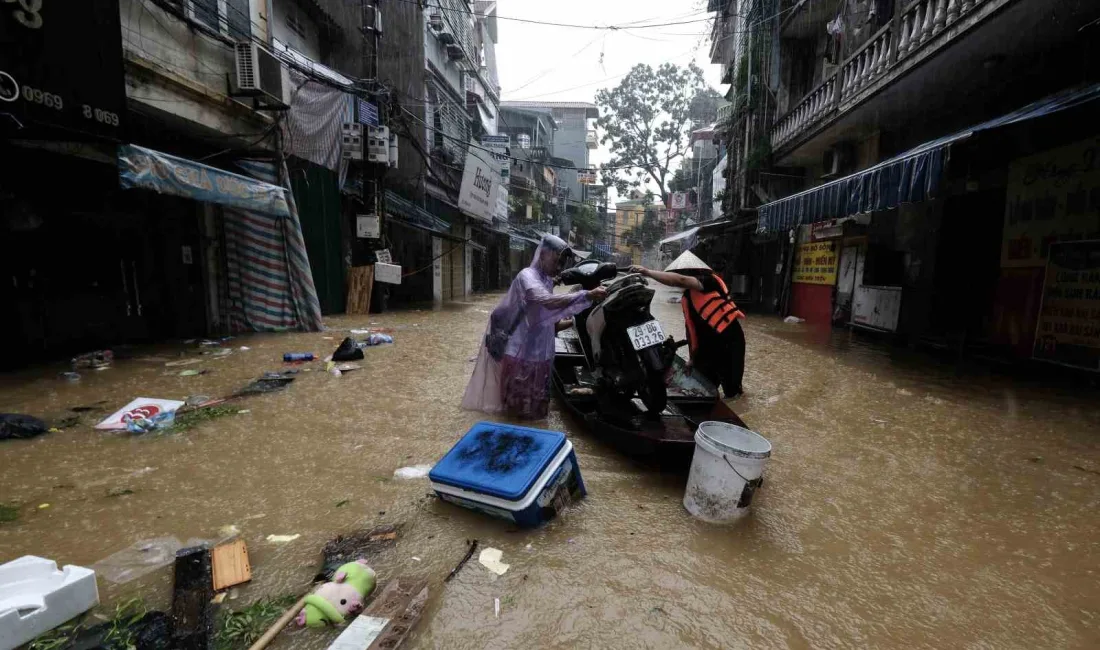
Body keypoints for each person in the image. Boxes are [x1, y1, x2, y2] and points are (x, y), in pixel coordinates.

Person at [463, 235, 607, 419]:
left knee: (538, 413)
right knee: (515, 414)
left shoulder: (547, 281)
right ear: (543, 254)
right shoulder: (527, 276)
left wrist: (575, 319)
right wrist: (587, 295)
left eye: (562, 263)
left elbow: (547, 323)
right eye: (557, 261)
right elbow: (544, 300)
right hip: (519, 357)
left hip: (541, 358)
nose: (559, 267)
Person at [630, 251, 746, 398]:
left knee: (732, 391)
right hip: (707, 347)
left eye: (682, 273)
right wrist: (692, 358)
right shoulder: (687, 297)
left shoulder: (709, 281)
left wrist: (647, 272)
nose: (678, 278)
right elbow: (692, 330)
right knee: (705, 388)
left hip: (728, 341)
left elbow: (681, 280)